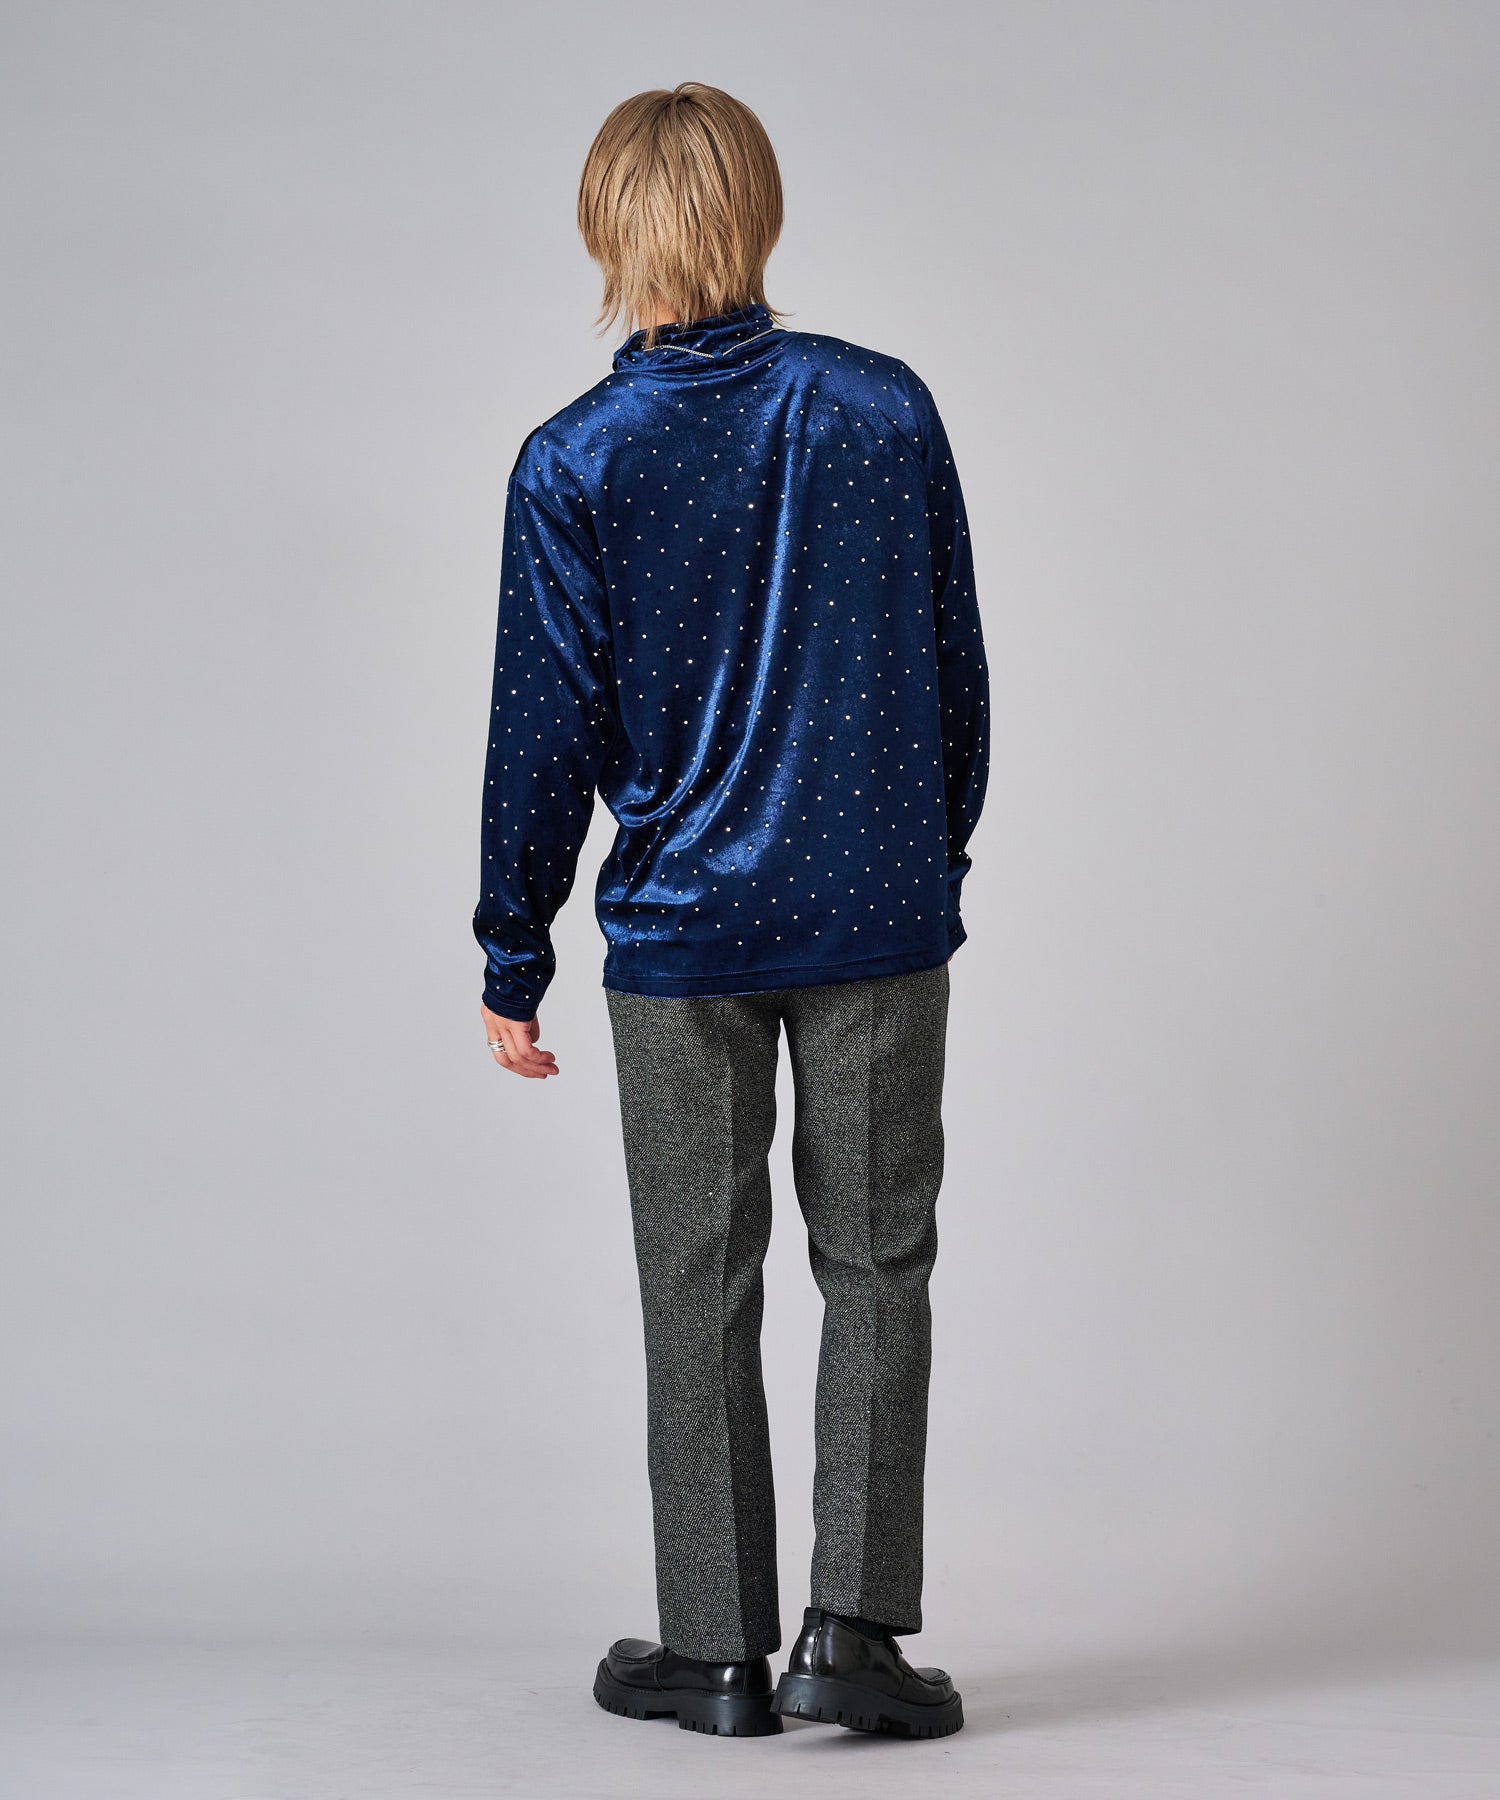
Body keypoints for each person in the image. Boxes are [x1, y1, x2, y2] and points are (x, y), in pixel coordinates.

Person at [473, 82, 989, 1742]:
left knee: (693, 1279)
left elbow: (542, 733)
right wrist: (926, 862)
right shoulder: (882, 408)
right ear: (758, 211)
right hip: (875, 921)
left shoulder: (573, 459)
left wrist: (511, 947)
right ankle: (854, 1637)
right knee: (879, 1263)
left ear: (603, 228)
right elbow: (958, 678)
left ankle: (711, 1652)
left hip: (679, 937)